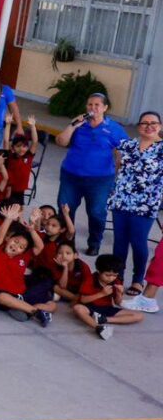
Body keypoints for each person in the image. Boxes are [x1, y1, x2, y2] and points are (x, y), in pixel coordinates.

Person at [56, 92, 128, 255]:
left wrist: (116, 175)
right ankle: (67, 243)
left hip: (100, 180)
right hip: (71, 176)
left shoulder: (115, 128)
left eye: (97, 105)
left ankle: (94, 242)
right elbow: (61, 142)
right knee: (65, 209)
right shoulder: (79, 125)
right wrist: (72, 125)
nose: (93, 108)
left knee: (96, 213)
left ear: (105, 108)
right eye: (90, 104)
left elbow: (122, 153)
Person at [106, 109, 162, 292]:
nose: (149, 127)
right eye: (144, 123)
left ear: (160, 127)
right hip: (121, 200)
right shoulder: (128, 145)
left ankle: (138, 279)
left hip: (146, 204)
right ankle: (118, 277)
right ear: (139, 127)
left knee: (138, 241)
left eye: (153, 123)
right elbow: (118, 165)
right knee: (120, 241)